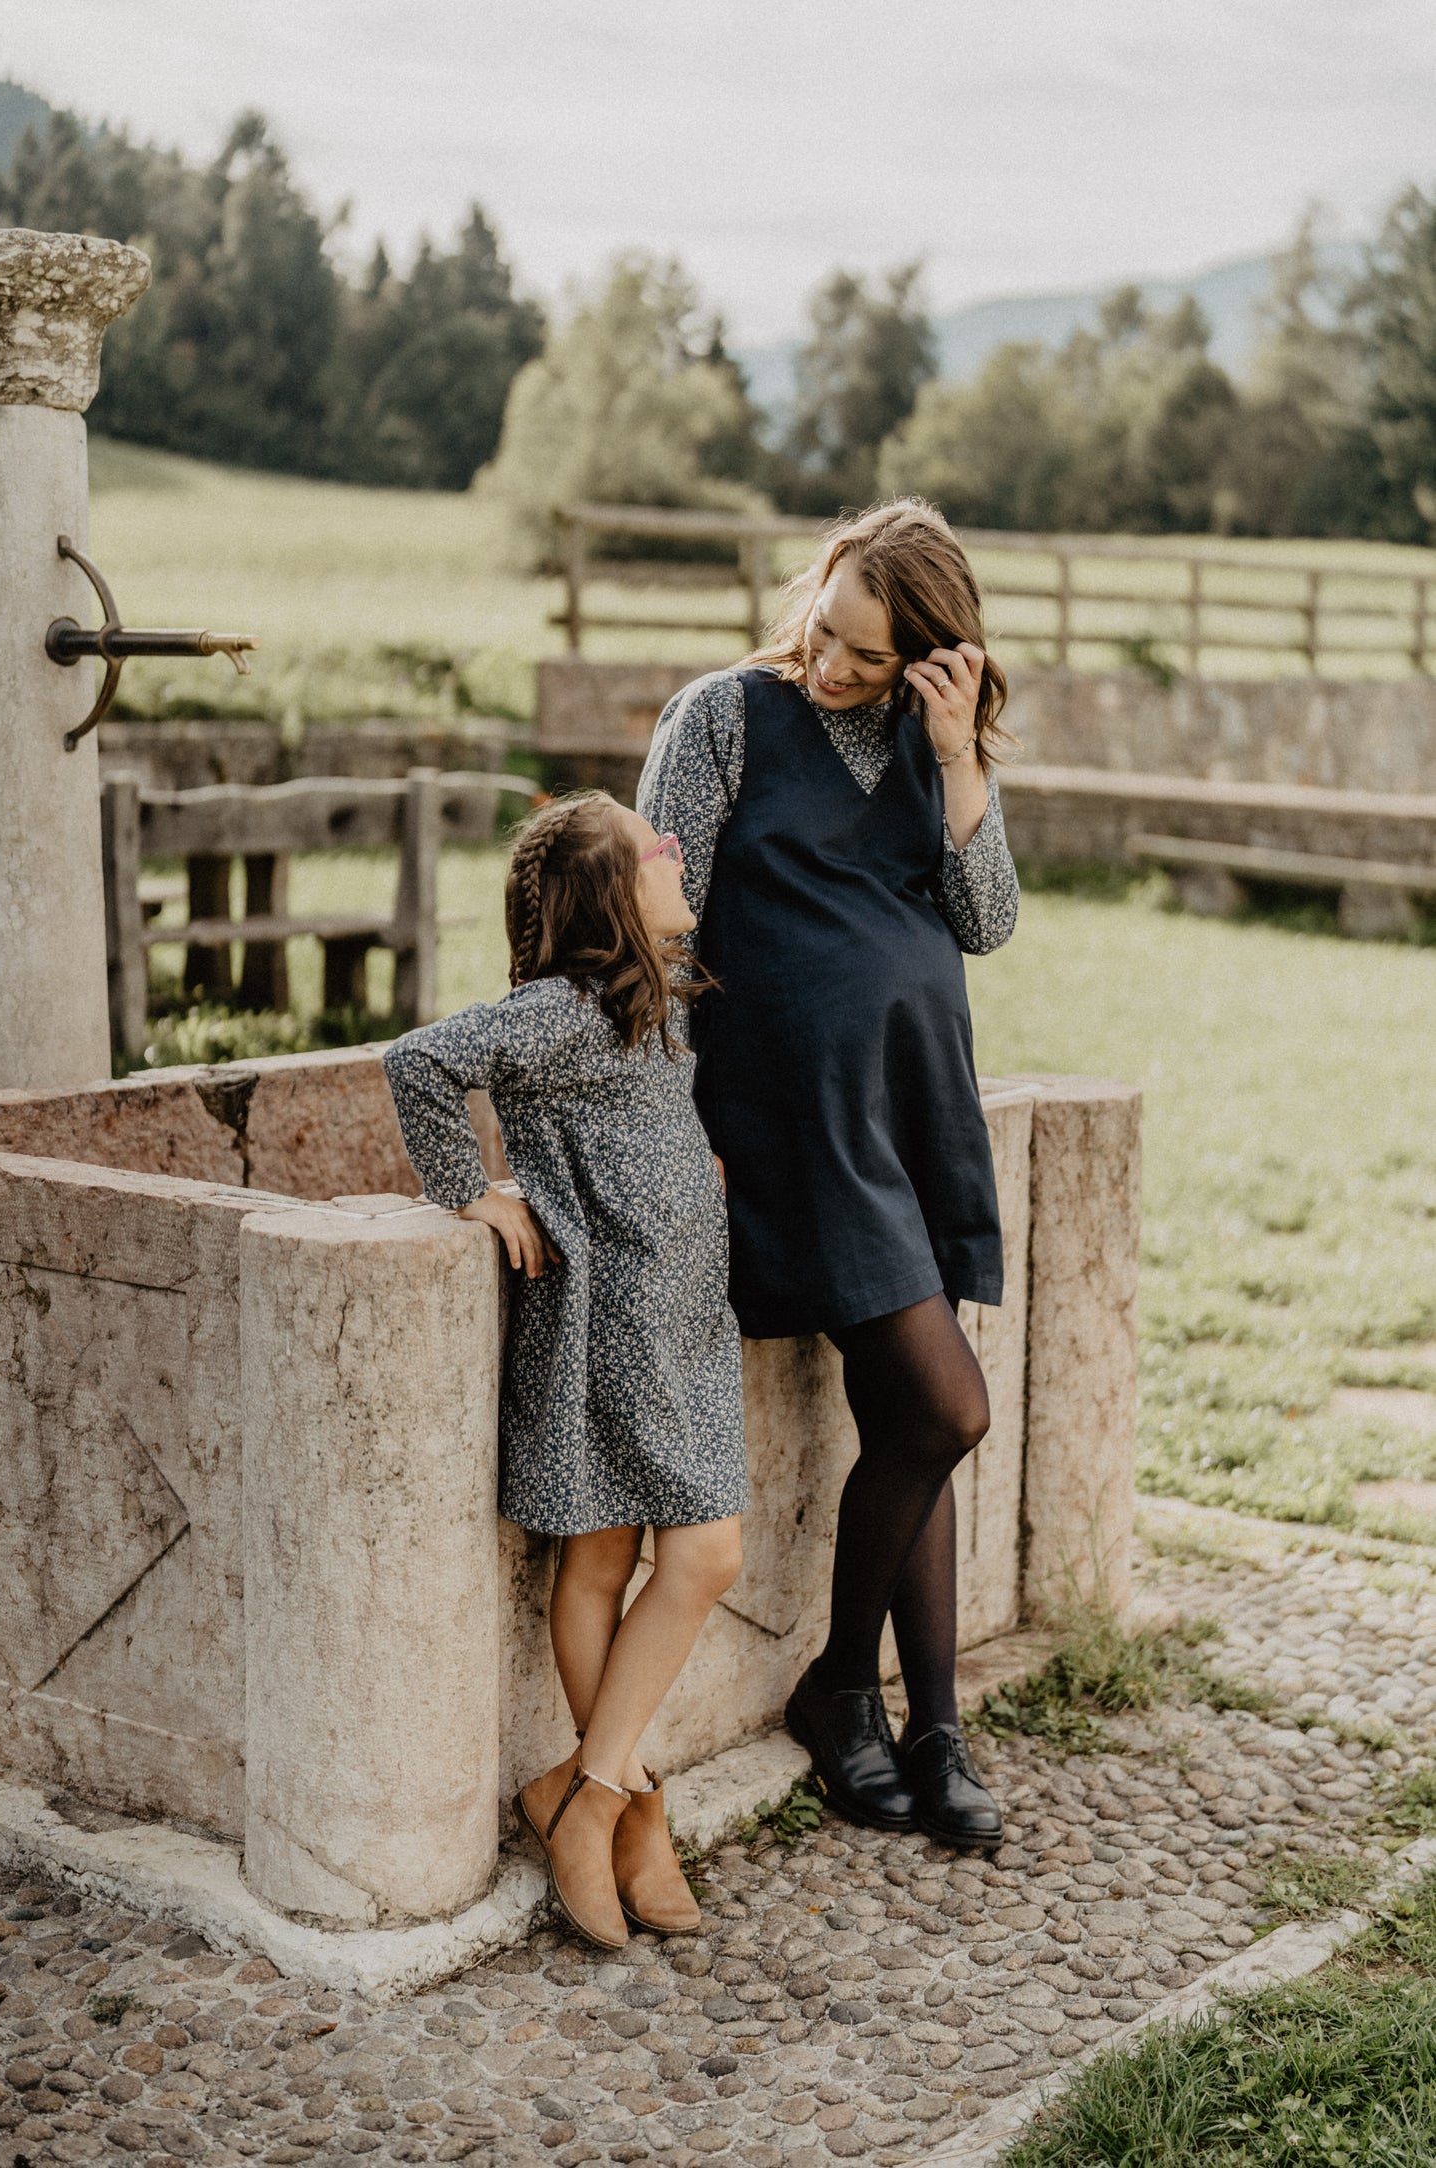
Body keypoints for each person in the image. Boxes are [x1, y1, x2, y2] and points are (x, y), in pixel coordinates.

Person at [638, 497, 1020, 1849]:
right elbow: (654, 932)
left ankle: (927, 1727)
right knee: (945, 1407)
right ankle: (842, 1691)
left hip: (908, 1116)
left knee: (906, 1419)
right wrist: (676, 1125)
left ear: (930, 655)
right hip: (790, 1122)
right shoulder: (725, 716)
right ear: (816, 587)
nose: (832, 665)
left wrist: (958, 751)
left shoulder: (932, 741)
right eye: (826, 627)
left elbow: (985, 921)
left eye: (867, 653)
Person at [382, 793, 747, 1950]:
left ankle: (590, 1800)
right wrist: (473, 1188)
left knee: (628, 1555)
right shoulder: (561, 1011)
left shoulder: (654, 1000)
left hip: (678, 1319)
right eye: (655, 847)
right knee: (678, 1552)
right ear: (610, 897)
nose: (675, 848)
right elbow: (420, 1059)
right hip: (611, 1322)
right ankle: (619, 1805)